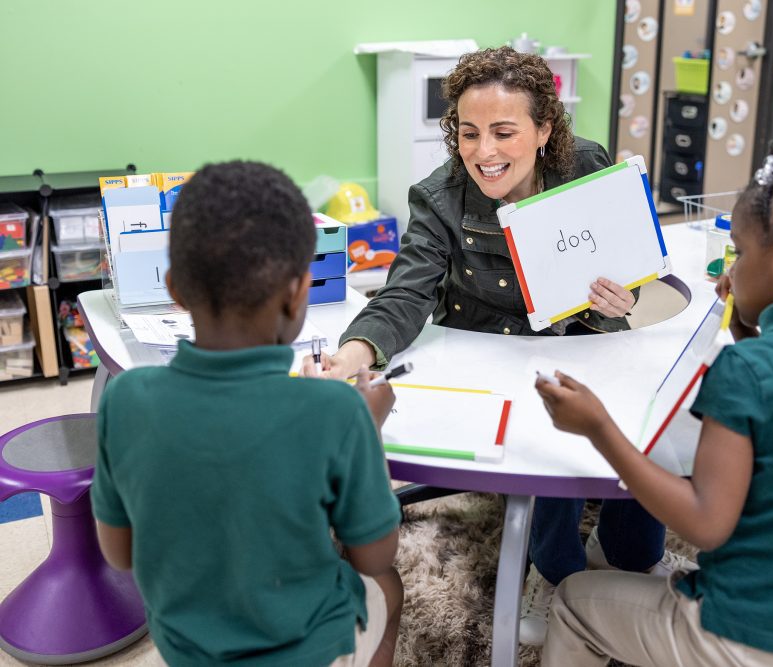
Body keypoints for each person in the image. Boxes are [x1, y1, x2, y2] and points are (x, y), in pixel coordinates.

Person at [306, 46, 686, 646]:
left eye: (505, 132)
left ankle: (631, 556)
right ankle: (554, 568)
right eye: (468, 131)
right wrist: (351, 355)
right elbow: (405, 294)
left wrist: (628, 301)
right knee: (550, 432)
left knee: (650, 408)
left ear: (544, 130)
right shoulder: (439, 195)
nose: (484, 152)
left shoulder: (589, 165)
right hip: (493, 351)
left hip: (582, 339)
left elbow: (638, 275)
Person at [536, 141, 773, 666]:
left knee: (574, 603)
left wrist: (598, 427)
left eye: (739, 252)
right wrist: (746, 326)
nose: (731, 269)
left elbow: (704, 524)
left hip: (756, 639)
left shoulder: (745, 372)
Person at [91, 161, 404, 667]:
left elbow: (121, 555)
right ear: (299, 291)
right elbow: (374, 554)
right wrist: (366, 432)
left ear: (174, 289)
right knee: (387, 587)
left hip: (186, 649)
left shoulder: (125, 398)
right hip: (309, 650)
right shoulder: (338, 411)